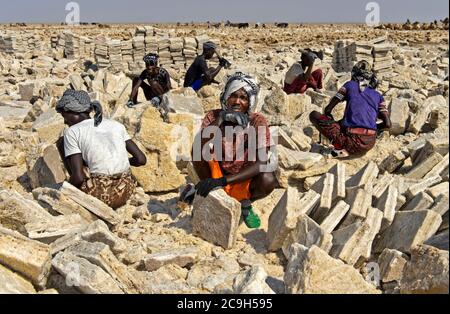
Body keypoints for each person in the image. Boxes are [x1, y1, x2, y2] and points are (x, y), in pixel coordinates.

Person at [184, 72, 277, 229]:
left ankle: (244, 203)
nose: (237, 101)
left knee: (268, 180)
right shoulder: (213, 116)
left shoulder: (257, 121)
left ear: (250, 102)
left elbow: (261, 162)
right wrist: (221, 120)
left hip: (242, 175)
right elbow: (198, 148)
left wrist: (223, 181)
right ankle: (213, 196)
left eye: (244, 97)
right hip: (218, 172)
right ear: (226, 96)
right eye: (233, 95)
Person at [56, 90, 147, 209]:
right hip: (125, 191)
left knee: (61, 143)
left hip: (98, 195)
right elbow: (141, 159)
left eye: (64, 116)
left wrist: (66, 190)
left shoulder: (72, 132)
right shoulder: (116, 125)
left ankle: (76, 190)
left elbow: (78, 178)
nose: (65, 121)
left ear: (73, 112)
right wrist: (118, 161)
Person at [309, 60, 391, 157]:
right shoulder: (378, 96)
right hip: (369, 143)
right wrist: (371, 128)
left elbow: (328, 109)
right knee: (344, 123)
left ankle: (338, 146)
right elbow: (387, 124)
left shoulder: (349, 85)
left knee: (314, 115)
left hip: (351, 142)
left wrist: (330, 118)